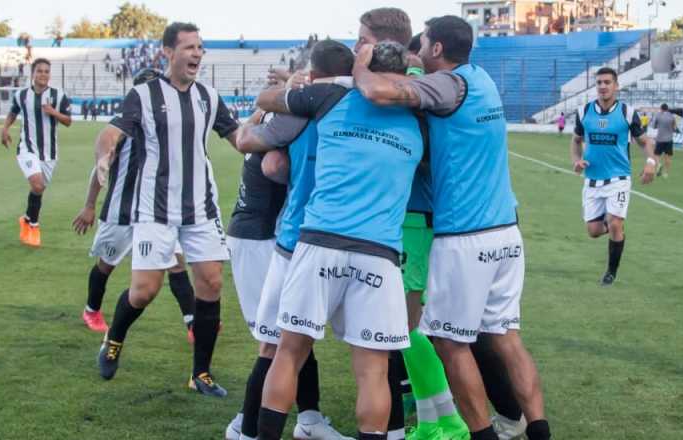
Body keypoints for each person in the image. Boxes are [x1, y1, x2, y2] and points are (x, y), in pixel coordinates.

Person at [353, 16, 552, 440]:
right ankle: (538, 430)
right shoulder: (481, 79)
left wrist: (362, 64)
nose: (419, 49)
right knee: (506, 338)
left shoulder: (449, 85)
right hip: (506, 230)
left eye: (423, 43)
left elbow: (376, 91)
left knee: (449, 342)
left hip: (466, 233)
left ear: (438, 49)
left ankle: (481, 434)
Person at [253, 40, 423, 440]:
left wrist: (340, 76)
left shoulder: (330, 96)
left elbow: (265, 99)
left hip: (319, 243)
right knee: (373, 370)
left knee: (289, 353)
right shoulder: (418, 120)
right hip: (379, 253)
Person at [93, 22, 238, 398]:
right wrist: (103, 157)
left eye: (200, 48)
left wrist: (271, 136)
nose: (197, 54)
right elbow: (110, 133)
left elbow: (238, 137)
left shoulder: (209, 95)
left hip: (201, 207)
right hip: (155, 209)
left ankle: (201, 373)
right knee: (144, 291)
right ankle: (114, 337)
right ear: (167, 52)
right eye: (189, 47)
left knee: (211, 283)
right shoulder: (143, 95)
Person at [224, 39, 356, 440]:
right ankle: (255, 427)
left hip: (291, 234)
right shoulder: (362, 102)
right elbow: (266, 158)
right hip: (289, 236)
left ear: (311, 76)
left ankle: (294, 422)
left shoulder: (302, 105)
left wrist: (273, 102)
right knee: (287, 340)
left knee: (285, 341)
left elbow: (262, 153)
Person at [70, 68, 197, 339]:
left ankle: (192, 322)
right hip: (121, 211)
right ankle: (91, 309)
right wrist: (90, 205)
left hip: (155, 211)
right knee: (106, 264)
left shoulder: (165, 127)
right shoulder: (123, 126)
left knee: (175, 261)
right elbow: (100, 168)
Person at [571, 67, 657, 286]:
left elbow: (644, 141)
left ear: (616, 86)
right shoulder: (584, 112)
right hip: (592, 179)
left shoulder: (627, 112)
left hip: (618, 178)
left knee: (615, 223)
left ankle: (611, 272)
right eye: (599, 82)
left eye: (607, 82)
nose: (602, 86)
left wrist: (650, 162)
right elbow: (576, 140)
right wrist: (577, 160)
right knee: (593, 231)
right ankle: (612, 222)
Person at [0, 58, 72, 248]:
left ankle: (26, 219)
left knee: (38, 189)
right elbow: (13, 112)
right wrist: (5, 128)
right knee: (38, 185)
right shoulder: (21, 95)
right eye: (39, 71)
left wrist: (52, 112)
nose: (43, 75)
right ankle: (34, 226)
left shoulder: (58, 95)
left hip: (50, 153)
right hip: (27, 148)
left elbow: (68, 121)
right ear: (33, 74)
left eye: (47, 71)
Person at [652, 103, 677, 178]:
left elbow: (654, 126)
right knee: (668, 157)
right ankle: (666, 173)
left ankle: (658, 165)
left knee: (656, 155)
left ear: (661, 108)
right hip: (669, 139)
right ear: (667, 108)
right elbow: (674, 128)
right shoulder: (672, 116)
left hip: (660, 138)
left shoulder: (658, 115)